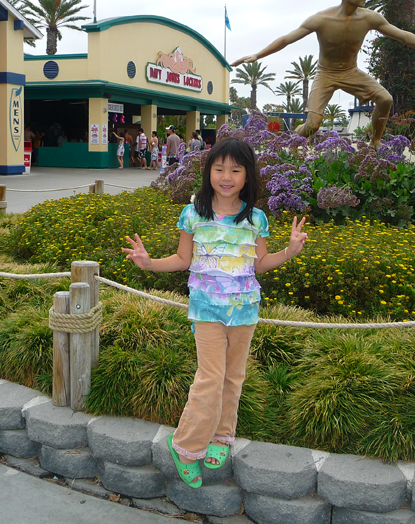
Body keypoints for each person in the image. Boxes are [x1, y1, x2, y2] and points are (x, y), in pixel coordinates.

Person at [122, 137, 308, 488]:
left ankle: (222, 437)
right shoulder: (193, 213)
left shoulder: (255, 218)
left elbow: (261, 263)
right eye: (219, 168)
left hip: (244, 311)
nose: (226, 176)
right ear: (208, 172)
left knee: (233, 377)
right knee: (209, 379)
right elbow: (182, 259)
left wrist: (290, 251)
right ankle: (187, 447)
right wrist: (148, 264)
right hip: (206, 310)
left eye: (235, 170)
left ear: (247, 176)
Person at [231, 0, 415, 147]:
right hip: (326, 74)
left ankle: (376, 142)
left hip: (351, 72)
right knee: (312, 125)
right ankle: (292, 143)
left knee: (386, 99)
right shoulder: (321, 19)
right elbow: (287, 39)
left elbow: (402, 35)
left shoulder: (371, 18)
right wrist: (257, 55)